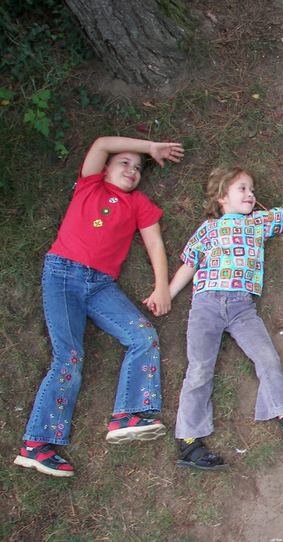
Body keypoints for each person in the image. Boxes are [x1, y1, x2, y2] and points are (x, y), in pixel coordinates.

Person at [14, 136, 185, 478]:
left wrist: (161, 287)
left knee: (143, 335)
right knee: (69, 358)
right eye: (124, 163)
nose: (132, 171)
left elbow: (155, 244)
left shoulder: (138, 204)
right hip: (63, 273)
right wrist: (150, 148)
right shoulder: (90, 185)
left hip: (101, 285)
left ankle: (128, 414)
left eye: (137, 168)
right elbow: (102, 142)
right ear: (105, 167)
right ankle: (36, 445)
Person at [167, 160, 283, 470]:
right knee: (199, 370)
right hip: (205, 305)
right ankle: (189, 440)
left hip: (241, 307)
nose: (250, 194)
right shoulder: (207, 230)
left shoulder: (258, 222)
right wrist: (166, 294)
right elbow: (189, 264)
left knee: (268, 359)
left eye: (252, 189)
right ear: (222, 197)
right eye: (242, 189)